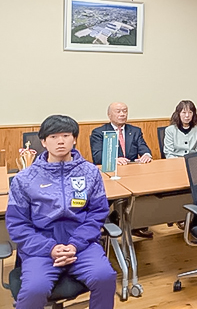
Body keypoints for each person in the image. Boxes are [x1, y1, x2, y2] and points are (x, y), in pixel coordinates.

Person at [6, 115, 117, 309]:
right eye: (53, 136)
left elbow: (97, 213)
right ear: (43, 142)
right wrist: (50, 248)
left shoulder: (90, 172)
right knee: (34, 289)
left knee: (105, 276)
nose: (60, 141)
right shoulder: (25, 178)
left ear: (74, 139)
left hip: (81, 245)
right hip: (41, 248)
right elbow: (17, 224)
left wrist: (75, 244)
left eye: (66, 135)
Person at [90, 102, 153, 238]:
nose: (122, 114)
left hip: (132, 174)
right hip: (110, 175)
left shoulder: (135, 131)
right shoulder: (99, 132)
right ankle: (109, 222)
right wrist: (113, 159)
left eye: (125, 111)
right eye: (118, 111)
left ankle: (137, 224)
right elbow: (97, 156)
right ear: (109, 115)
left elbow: (143, 148)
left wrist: (146, 155)